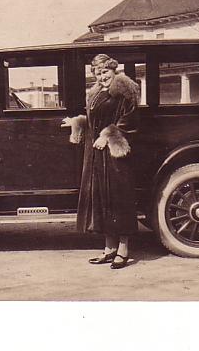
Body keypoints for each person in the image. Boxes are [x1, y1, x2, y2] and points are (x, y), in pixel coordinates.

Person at [62, 54, 139, 269]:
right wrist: (77, 122)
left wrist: (107, 136)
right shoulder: (96, 93)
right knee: (102, 199)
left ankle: (123, 250)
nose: (102, 76)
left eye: (105, 72)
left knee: (118, 199)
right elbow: (96, 119)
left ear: (114, 70)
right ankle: (109, 249)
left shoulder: (125, 89)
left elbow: (129, 119)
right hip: (97, 154)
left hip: (114, 154)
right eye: (98, 73)